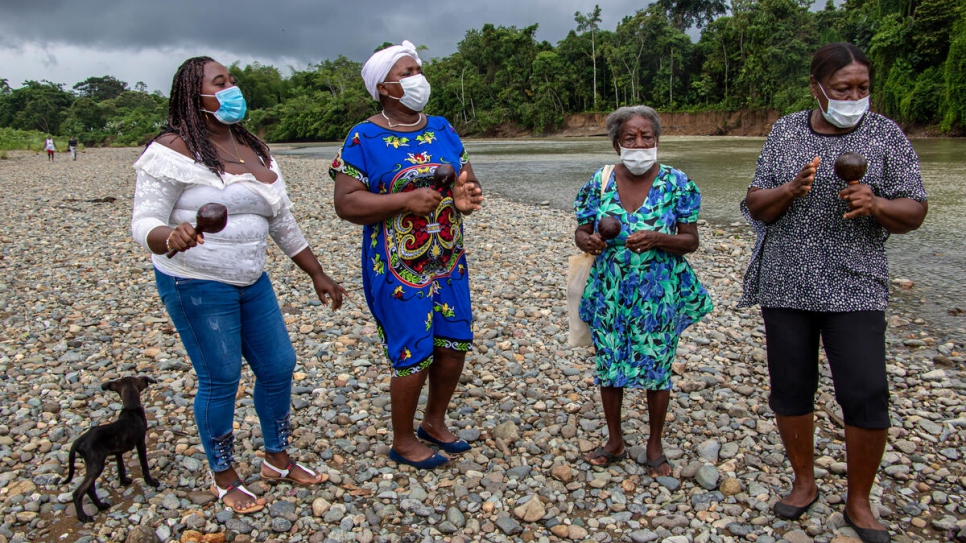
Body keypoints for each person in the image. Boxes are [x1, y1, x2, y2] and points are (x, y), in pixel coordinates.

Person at [131, 56, 347, 514]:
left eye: (232, 79)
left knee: (278, 366)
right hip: (196, 282)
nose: (232, 88)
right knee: (221, 376)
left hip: (252, 278)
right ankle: (224, 475)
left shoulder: (256, 148)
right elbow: (143, 221)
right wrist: (169, 236)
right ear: (194, 95)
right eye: (220, 82)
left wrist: (316, 271)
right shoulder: (171, 149)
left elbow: (281, 220)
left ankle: (277, 459)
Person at [739, 43, 927, 543]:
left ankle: (859, 501)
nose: (855, 97)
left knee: (865, 391)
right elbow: (755, 203)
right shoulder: (785, 132)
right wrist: (789, 189)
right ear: (817, 88)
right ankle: (804, 483)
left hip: (856, 283)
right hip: (787, 282)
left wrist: (878, 203)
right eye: (844, 88)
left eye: (863, 88)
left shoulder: (885, 135)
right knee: (792, 387)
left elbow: (916, 211)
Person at [330, 41, 484, 470]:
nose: (417, 78)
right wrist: (403, 202)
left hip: (449, 258)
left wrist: (466, 198)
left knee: (454, 343)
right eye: (406, 72)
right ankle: (402, 440)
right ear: (383, 87)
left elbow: (468, 185)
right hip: (398, 265)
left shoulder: (444, 128)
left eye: (418, 69)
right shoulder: (364, 137)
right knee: (412, 350)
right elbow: (346, 204)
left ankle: (434, 423)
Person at [573, 105, 713, 474]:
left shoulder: (677, 182)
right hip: (609, 292)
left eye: (646, 136)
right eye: (630, 137)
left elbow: (690, 241)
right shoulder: (599, 181)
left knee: (658, 368)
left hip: (658, 295)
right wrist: (588, 241)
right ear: (617, 143)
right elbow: (581, 230)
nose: (639, 143)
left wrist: (658, 239)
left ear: (657, 139)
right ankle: (615, 440)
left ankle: (654, 445)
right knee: (608, 367)